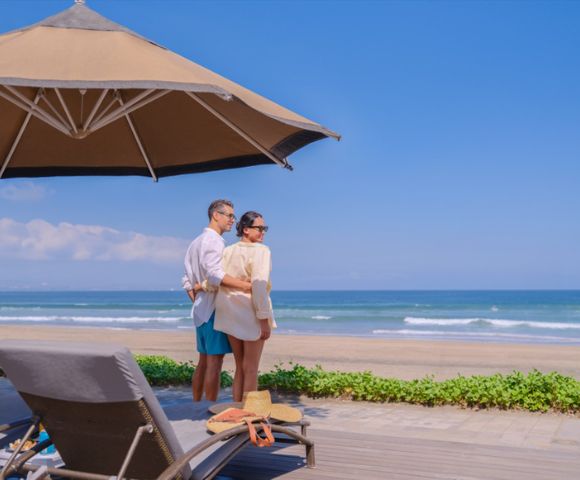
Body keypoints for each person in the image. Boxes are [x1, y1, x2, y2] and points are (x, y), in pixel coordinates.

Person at [182, 199, 251, 402]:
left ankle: (197, 404)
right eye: (229, 215)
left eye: (233, 216)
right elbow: (215, 275)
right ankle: (209, 410)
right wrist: (245, 286)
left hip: (200, 310)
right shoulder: (214, 241)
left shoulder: (195, 242)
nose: (232, 220)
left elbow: (186, 280)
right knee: (214, 362)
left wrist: (196, 295)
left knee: (203, 361)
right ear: (216, 215)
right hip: (212, 309)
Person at [214, 211, 276, 402]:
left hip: (229, 311)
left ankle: (238, 410)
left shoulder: (228, 250)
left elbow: (216, 278)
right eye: (260, 228)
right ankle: (250, 416)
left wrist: (196, 288)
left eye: (265, 228)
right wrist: (264, 320)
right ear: (246, 229)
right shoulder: (261, 250)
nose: (263, 232)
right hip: (250, 313)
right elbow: (258, 286)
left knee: (240, 365)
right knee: (251, 368)